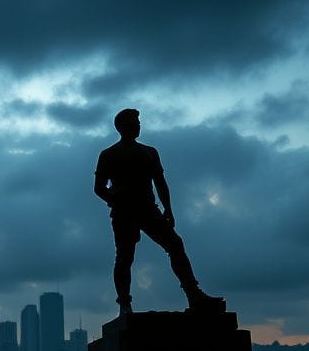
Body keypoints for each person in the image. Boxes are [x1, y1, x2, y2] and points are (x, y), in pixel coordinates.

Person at [94, 108, 224, 317]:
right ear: (122, 126)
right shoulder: (109, 154)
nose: (138, 125)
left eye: (138, 121)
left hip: (149, 209)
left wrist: (168, 209)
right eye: (134, 122)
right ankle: (124, 305)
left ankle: (193, 294)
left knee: (175, 244)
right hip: (124, 214)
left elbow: (160, 183)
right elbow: (99, 188)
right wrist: (117, 201)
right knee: (125, 258)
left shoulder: (150, 152)